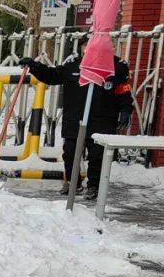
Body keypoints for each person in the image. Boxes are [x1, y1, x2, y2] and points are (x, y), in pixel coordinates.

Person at [19, 46, 132, 202]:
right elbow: (53, 76)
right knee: (70, 153)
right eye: (87, 45)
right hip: (74, 118)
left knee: (97, 155)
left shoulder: (116, 66)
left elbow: (123, 90)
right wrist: (34, 66)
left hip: (103, 120)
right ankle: (73, 183)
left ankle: (94, 186)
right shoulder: (73, 64)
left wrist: (126, 110)